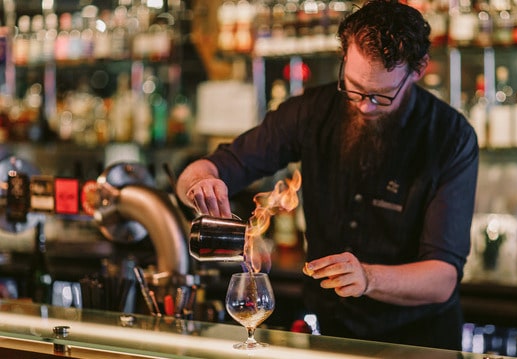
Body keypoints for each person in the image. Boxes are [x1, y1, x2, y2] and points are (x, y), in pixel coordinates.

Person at [176, 0, 478, 351]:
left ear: (418, 70)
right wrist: (201, 184)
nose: (364, 105)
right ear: (343, 58)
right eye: (353, 87)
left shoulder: (450, 137)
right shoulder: (310, 111)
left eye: (381, 96)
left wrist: (368, 277)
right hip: (330, 337)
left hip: (418, 344)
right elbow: (203, 170)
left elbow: (442, 278)